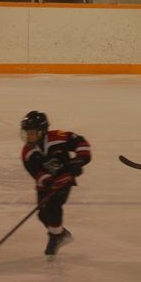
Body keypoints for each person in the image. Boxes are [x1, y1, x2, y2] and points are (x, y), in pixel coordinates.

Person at [20, 110, 91, 256]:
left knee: (53, 206)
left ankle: (54, 237)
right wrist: (48, 182)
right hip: (46, 185)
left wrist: (80, 160)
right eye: (27, 132)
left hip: (65, 179)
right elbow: (37, 173)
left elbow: (81, 143)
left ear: (42, 131)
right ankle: (60, 234)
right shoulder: (27, 152)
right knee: (43, 215)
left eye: (32, 132)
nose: (28, 136)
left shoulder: (58, 137)